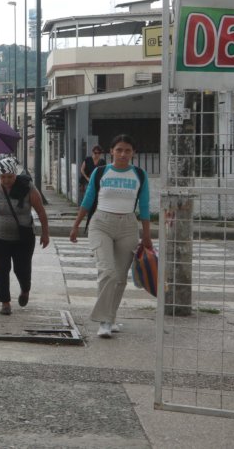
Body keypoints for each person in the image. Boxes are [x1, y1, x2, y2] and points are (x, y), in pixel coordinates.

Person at [69, 134, 151, 339]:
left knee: (120, 278)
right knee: (108, 272)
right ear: (111, 151)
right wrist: (76, 225)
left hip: (128, 226)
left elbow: (145, 207)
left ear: (133, 153)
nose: (123, 154)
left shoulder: (139, 175)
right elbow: (88, 201)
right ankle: (103, 321)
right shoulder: (100, 172)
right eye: (119, 150)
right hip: (101, 224)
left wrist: (147, 236)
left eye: (128, 150)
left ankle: (110, 318)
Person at [0, 157, 50, 316]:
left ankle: (25, 289)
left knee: (22, 268)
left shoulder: (27, 187)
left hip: (23, 238)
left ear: (15, 174)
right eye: (3, 177)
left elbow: (41, 211)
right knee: (1, 269)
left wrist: (45, 233)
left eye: (10, 176)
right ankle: (5, 303)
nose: (6, 180)